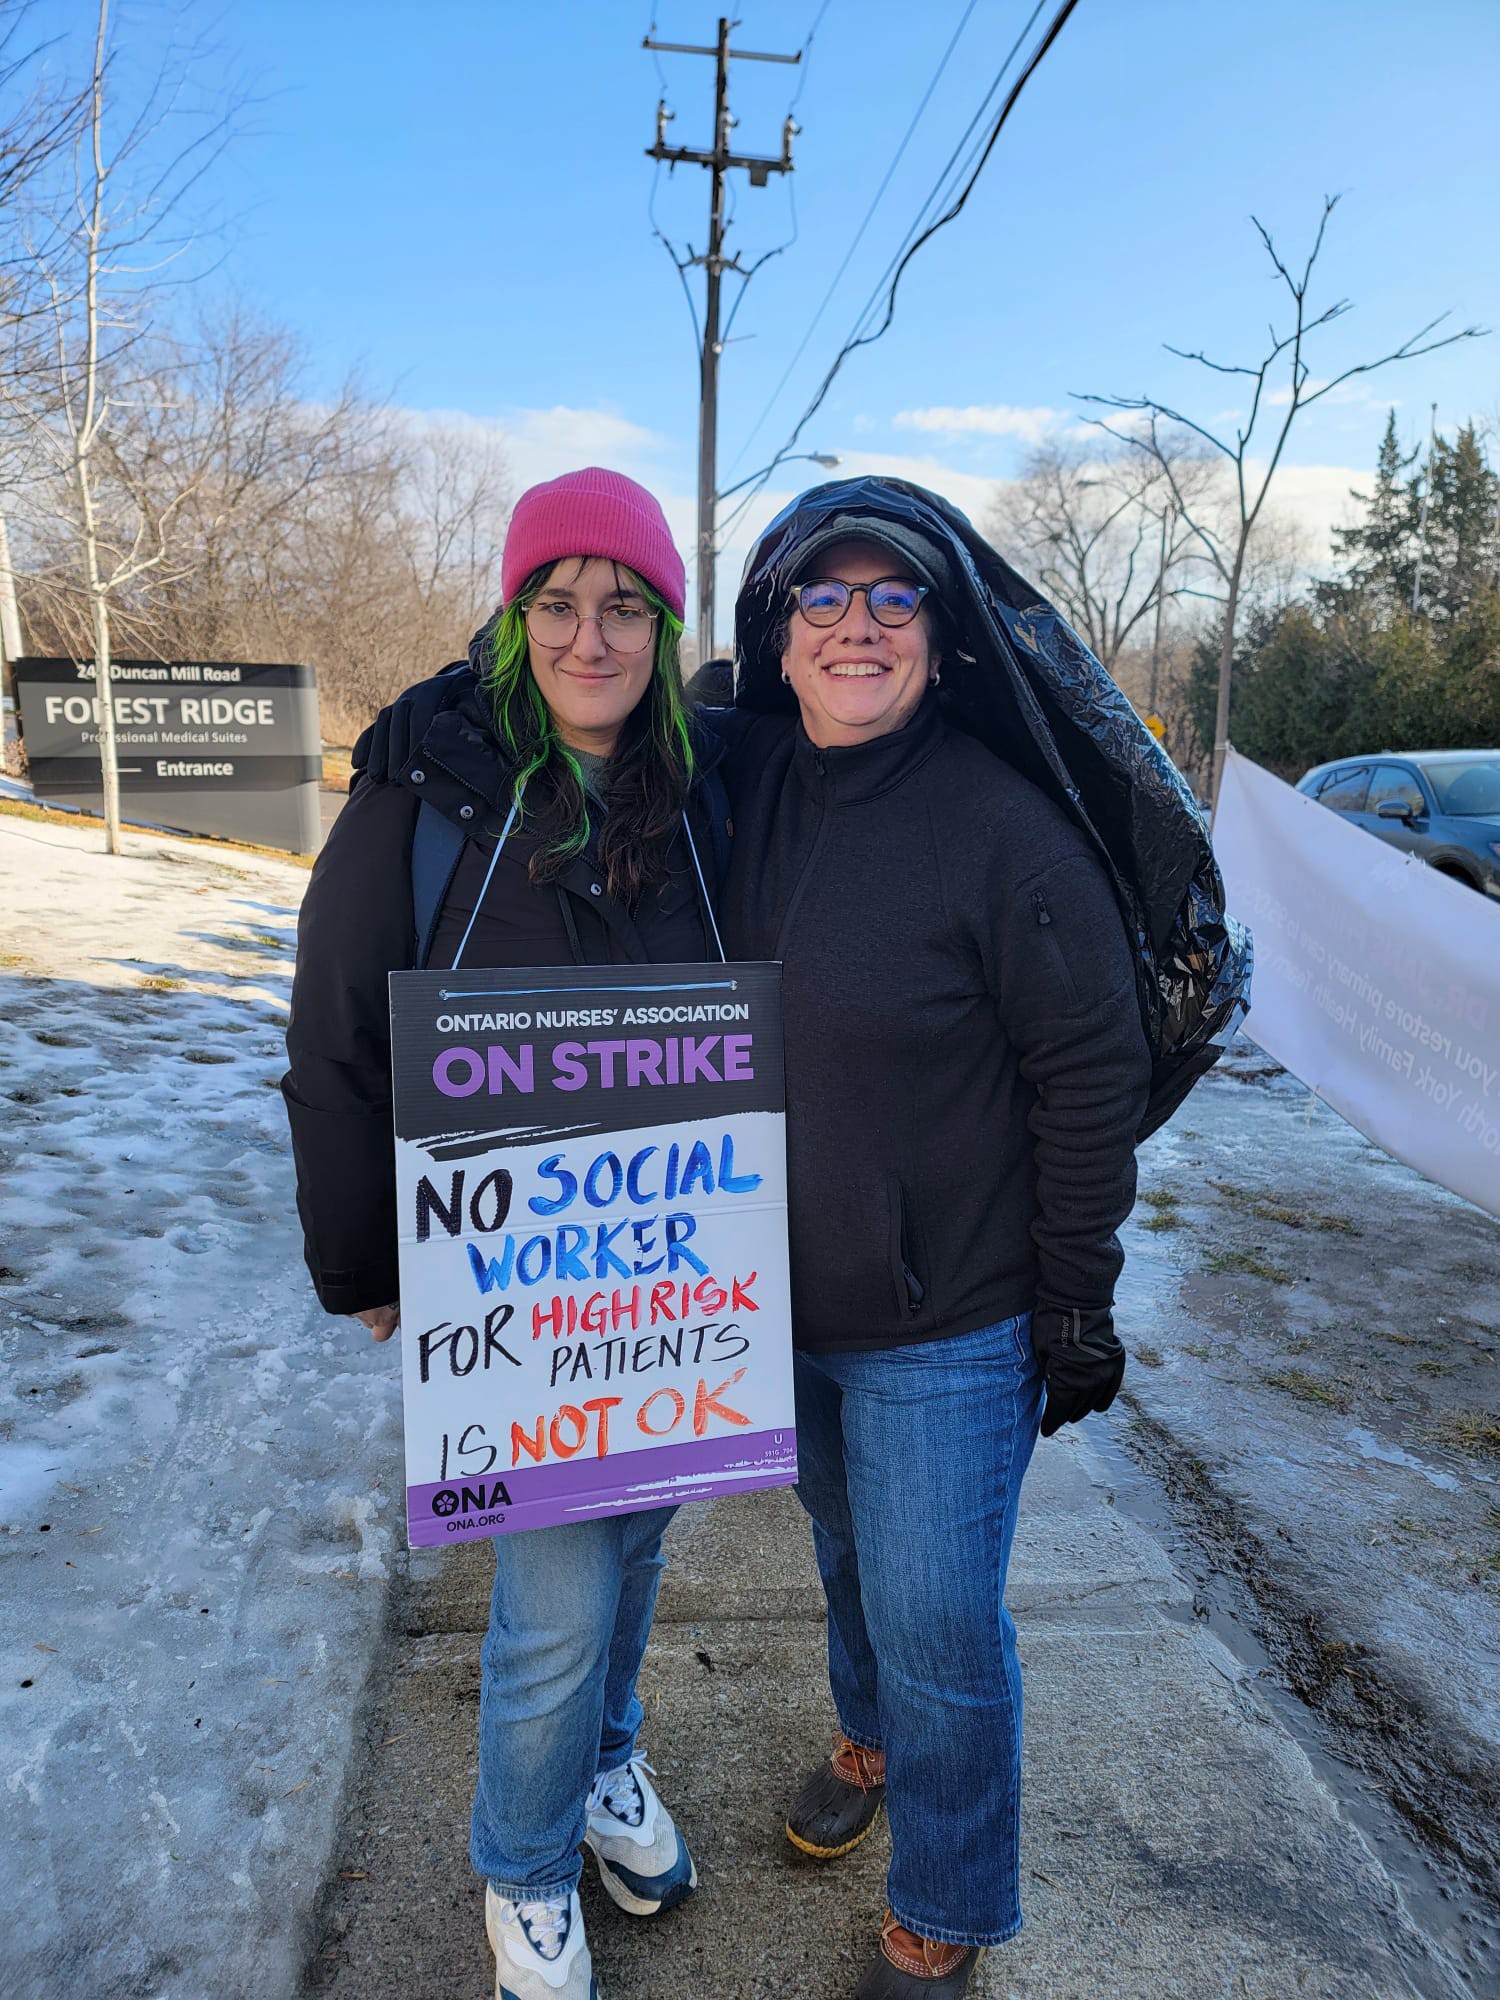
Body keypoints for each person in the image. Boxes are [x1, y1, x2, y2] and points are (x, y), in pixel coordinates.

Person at [282, 468, 725, 2000]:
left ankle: (602, 1762)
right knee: (557, 1596)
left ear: (664, 630)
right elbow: (336, 1029)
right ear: (515, 615)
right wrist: (361, 1257)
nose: (590, 638)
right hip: (509, 1278)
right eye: (558, 603)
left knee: (640, 1541)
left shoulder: (704, 795)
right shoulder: (428, 787)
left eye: (625, 608)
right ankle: (525, 1868)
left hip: (668, 1276)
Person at [719, 480, 1156, 1999]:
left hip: (949, 1320)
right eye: (824, 597)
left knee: (940, 1620)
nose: (858, 625)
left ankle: (950, 1904)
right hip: (777, 1301)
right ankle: (870, 1738)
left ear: (940, 631)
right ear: (776, 634)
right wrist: (446, 717)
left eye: (893, 597)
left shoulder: (1003, 832)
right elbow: (589, 707)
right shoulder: (743, 783)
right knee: (849, 1556)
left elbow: (1090, 1071)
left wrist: (1076, 1298)